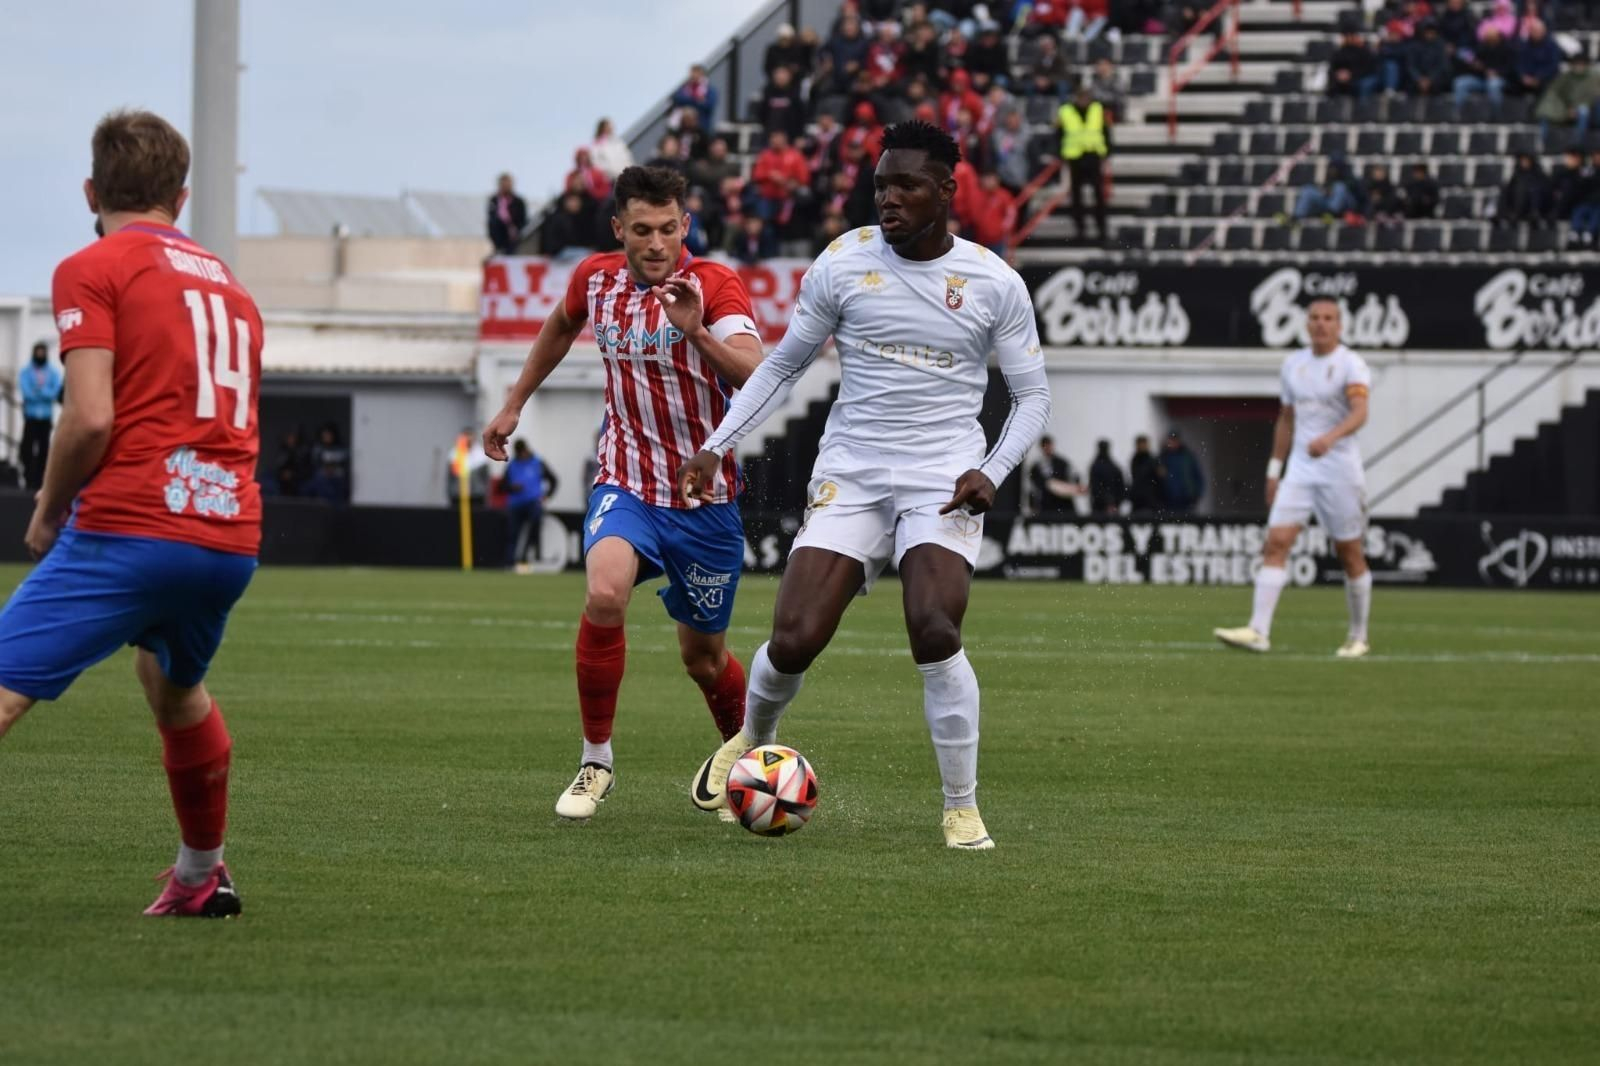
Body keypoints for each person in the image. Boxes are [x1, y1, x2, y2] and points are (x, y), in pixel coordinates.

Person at [675, 121, 1052, 850]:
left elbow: (1032, 397)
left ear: (947, 191)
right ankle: (752, 738)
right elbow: (782, 367)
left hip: (942, 474)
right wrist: (716, 446)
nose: (889, 198)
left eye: (907, 185)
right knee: (793, 638)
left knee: (934, 628)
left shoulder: (994, 283)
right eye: (881, 184)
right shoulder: (843, 263)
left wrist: (991, 469)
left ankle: (961, 806)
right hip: (852, 469)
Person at [0, 110, 262, 917]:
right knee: (174, 686)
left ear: (90, 189)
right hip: (227, 534)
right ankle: (200, 874)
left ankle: (201, 873)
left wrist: (46, 512)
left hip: (133, 522)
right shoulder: (232, 287)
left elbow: (89, 418)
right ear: (180, 198)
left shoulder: (93, 266)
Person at [481, 165, 763, 821]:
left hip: (705, 498)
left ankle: (745, 761)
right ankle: (595, 762)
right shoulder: (596, 278)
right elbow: (558, 325)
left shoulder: (714, 285)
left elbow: (755, 374)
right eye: (642, 230)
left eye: (669, 228)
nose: (657, 242)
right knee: (604, 591)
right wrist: (514, 402)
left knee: (703, 658)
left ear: (685, 226)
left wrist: (695, 330)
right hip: (625, 480)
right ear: (619, 230)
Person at [1215, 299, 1372, 659]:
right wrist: (1275, 469)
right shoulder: (1293, 364)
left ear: (1340, 326)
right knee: (1276, 543)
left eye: (1328, 318)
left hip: (1340, 470)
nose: (1321, 324)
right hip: (1301, 469)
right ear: (1306, 325)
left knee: (1349, 553)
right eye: (1315, 318)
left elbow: (1361, 411)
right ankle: (1258, 631)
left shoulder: (1350, 364)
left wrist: (1330, 439)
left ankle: (1358, 635)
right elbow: (1286, 419)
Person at [1055, 83, 1110, 244]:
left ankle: (1102, 229)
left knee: (1098, 195)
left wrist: (1107, 153)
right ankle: (1080, 230)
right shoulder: (1065, 112)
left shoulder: (1098, 110)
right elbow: (1058, 134)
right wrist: (1060, 153)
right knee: (1077, 197)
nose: (1084, 100)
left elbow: (1106, 132)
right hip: (1075, 158)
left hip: (1093, 156)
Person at [504, 439, 558, 570]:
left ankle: (527, 558)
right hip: (515, 505)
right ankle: (510, 563)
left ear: (525, 450)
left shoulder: (537, 462)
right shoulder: (512, 465)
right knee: (513, 533)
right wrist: (512, 487)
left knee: (533, 530)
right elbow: (503, 486)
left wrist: (546, 496)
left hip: (533, 504)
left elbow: (554, 480)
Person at [18, 341, 62, 490]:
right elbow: (26, 393)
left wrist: (39, 391)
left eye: (42, 352)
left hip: (45, 417)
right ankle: (28, 478)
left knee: (44, 449)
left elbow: (55, 392)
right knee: (27, 448)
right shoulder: (26, 372)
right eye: (38, 352)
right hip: (30, 417)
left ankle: (41, 480)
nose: (40, 355)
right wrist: (43, 392)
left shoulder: (53, 372)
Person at [1027, 435, 1083, 515]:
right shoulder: (1036, 466)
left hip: (1063, 501)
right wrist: (1032, 504)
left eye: (1049, 445)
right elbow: (1033, 487)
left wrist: (1077, 484)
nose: (1048, 448)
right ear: (1042, 448)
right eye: (1045, 446)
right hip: (1046, 503)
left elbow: (1074, 474)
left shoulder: (1062, 462)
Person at [1159, 430, 1205, 513]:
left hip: (1187, 499)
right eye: (1171, 440)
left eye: (1175, 440)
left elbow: (1198, 476)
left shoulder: (1188, 456)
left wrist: (1197, 494)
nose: (1173, 443)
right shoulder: (1163, 457)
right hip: (1168, 500)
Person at [487, 173, 527, 256]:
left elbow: (523, 220)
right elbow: (491, 220)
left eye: (507, 184)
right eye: (503, 184)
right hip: (499, 236)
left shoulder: (518, 202)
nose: (505, 186)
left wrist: (514, 229)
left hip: (514, 238)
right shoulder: (494, 201)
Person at [671, 64, 719, 131]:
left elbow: (709, 105)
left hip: (702, 127)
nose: (693, 76)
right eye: (692, 73)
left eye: (696, 73)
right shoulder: (685, 87)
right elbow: (677, 98)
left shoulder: (710, 90)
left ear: (702, 74)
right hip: (683, 128)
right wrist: (696, 100)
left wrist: (689, 101)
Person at [1088, 439, 1126, 515]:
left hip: (1104, 505)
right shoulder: (1113, 466)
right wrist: (1113, 500)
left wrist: (1113, 500)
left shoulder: (1097, 466)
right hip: (1103, 505)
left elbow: (1095, 487)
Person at [1128, 434, 1162, 513]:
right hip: (1139, 501)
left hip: (1151, 501)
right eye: (1140, 444)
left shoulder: (1153, 460)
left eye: (1144, 444)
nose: (1142, 446)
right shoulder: (1135, 460)